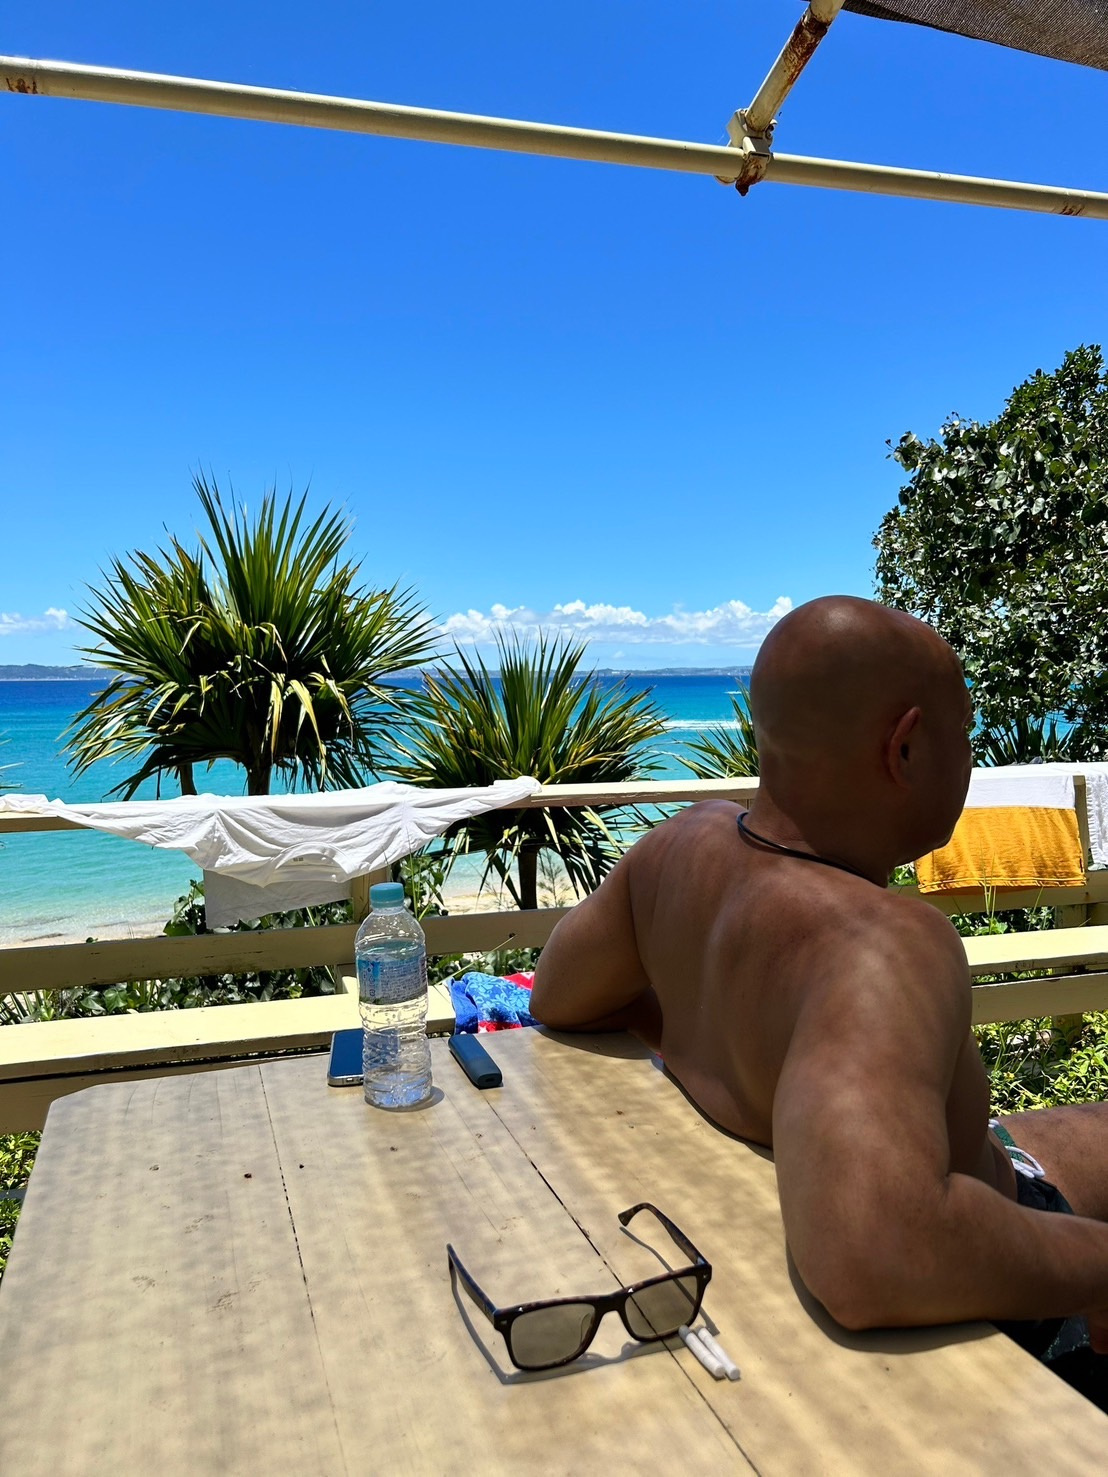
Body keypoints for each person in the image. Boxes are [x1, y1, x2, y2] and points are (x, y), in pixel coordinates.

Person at [529, 595, 1108, 1385]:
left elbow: (558, 993)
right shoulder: (880, 945)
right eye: (966, 731)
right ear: (906, 749)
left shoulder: (676, 849)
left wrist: (718, 1028)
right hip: (998, 1311)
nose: (972, 755)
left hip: (980, 1169)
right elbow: (878, 1251)